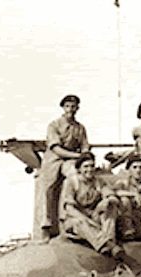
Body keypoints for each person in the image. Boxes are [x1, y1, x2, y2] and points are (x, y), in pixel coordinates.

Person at [35, 94, 91, 240]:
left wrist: (84, 156)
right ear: (63, 108)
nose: (70, 110)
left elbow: (85, 147)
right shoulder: (54, 125)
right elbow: (56, 149)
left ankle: (68, 219)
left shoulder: (80, 128)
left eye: (73, 107)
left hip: (69, 161)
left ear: (77, 108)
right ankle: (45, 225)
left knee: (74, 178)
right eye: (67, 106)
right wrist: (79, 156)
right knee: (48, 186)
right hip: (53, 159)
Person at [59, 153, 123, 257]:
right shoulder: (71, 182)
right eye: (86, 166)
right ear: (79, 169)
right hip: (74, 220)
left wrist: (107, 200)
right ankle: (106, 244)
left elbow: (110, 194)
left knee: (111, 206)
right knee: (79, 222)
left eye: (92, 166)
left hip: (93, 217)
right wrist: (86, 220)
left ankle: (109, 239)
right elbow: (69, 208)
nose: (89, 169)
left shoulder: (98, 181)